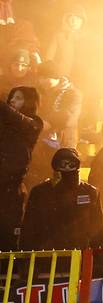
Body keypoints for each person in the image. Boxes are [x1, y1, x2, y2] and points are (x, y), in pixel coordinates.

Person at [19, 147, 103, 250]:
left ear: (78, 165)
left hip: (79, 256)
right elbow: (29, 227)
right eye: (62, 164)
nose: (67, 168)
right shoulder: (40, 192)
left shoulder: (90, 192)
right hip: (47, 256)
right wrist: (25, 257)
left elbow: (98, 229)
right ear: (55, 166)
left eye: (71, 164)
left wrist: (100, 260)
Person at [0, 86, 40, 249]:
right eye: (12, 97)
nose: (12, 101)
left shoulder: (35, 123)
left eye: (18, 98)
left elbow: (17, 118)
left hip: (12, 187)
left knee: (8, 231)